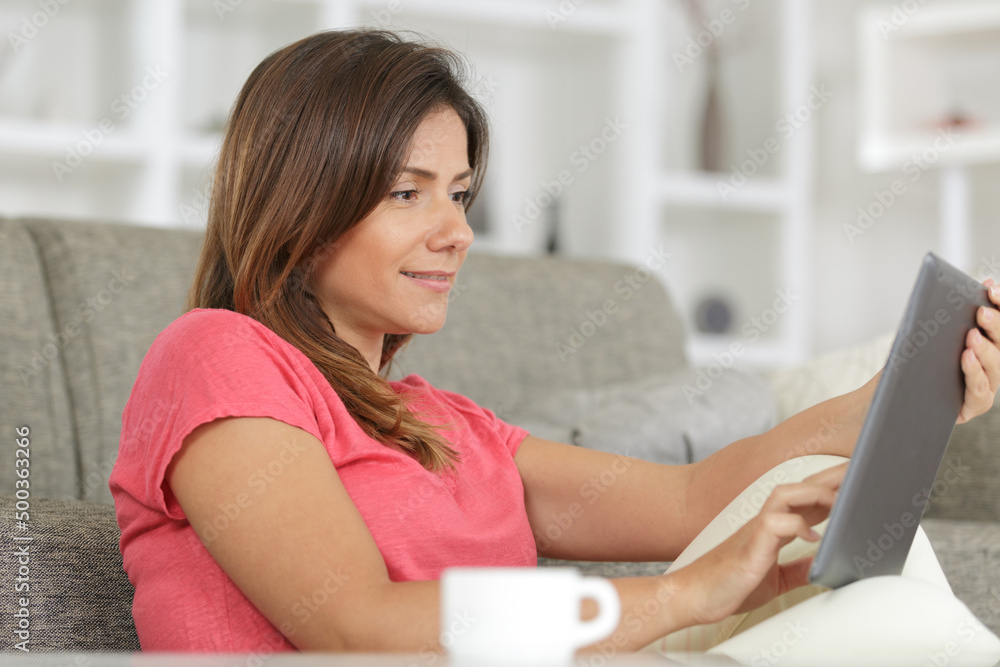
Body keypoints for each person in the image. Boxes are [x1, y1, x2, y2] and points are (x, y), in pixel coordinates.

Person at [108, 29, 1000, 654]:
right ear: (299, 206)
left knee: (888, 578)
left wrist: (915, 388)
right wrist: (684, 597)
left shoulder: (446, 424)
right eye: (407, 192)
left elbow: (694, 498)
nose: (456, 231)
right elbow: (357, 625)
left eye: (460, 194)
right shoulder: (217, 355)